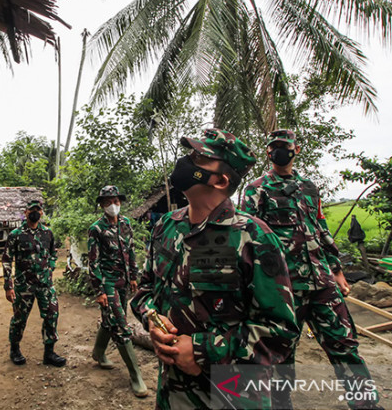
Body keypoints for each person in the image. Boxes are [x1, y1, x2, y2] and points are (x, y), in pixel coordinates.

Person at [131, 129, 298, 409]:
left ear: (221, 180)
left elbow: (280, 331)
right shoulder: (165, 227)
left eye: (198, 158)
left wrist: (201, 351)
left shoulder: (254, 237)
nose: (186, 162)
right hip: (173, 393)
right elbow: (145, 289)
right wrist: (151, 319)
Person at [241, 129, 382, 410]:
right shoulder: (256, 189)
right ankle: (282, 404)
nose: (279, 151)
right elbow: (248, 236)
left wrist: (337, 269)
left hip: (321, 281)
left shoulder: (309, 187)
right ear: (268, 152)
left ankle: (366, 404)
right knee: (281, 354)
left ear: (296, 150)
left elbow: (320, 228)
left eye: (284, 146)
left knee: (345, 345)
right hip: (284, 287)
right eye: (274, 147)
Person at [88, 185, 148, 398]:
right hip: (108, 283)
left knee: (110, 319)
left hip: (123, 282)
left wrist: (133, 276)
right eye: (108, 202)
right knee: (122, 326)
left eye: (116, 201)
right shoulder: (96, 229)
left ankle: (98, 353)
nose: (113, 205)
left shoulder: (126, 224)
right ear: (102, 205)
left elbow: (130, 250)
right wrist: (99, 290)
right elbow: (93, 262)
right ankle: (136, 376)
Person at [2, 200, 66, 367]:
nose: (35, 213)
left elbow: (53, 252)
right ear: (26, 213)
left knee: (52, 315)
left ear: (42, 213)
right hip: (24, 285)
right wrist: (8, 286)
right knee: (19, 318)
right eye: (32, 210)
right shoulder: (16, 234)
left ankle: (49, 353)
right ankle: (14, 349)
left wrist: (51, 266)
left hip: (45, 284)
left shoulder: (47, 233)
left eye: (38, 210)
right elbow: (7, 260)